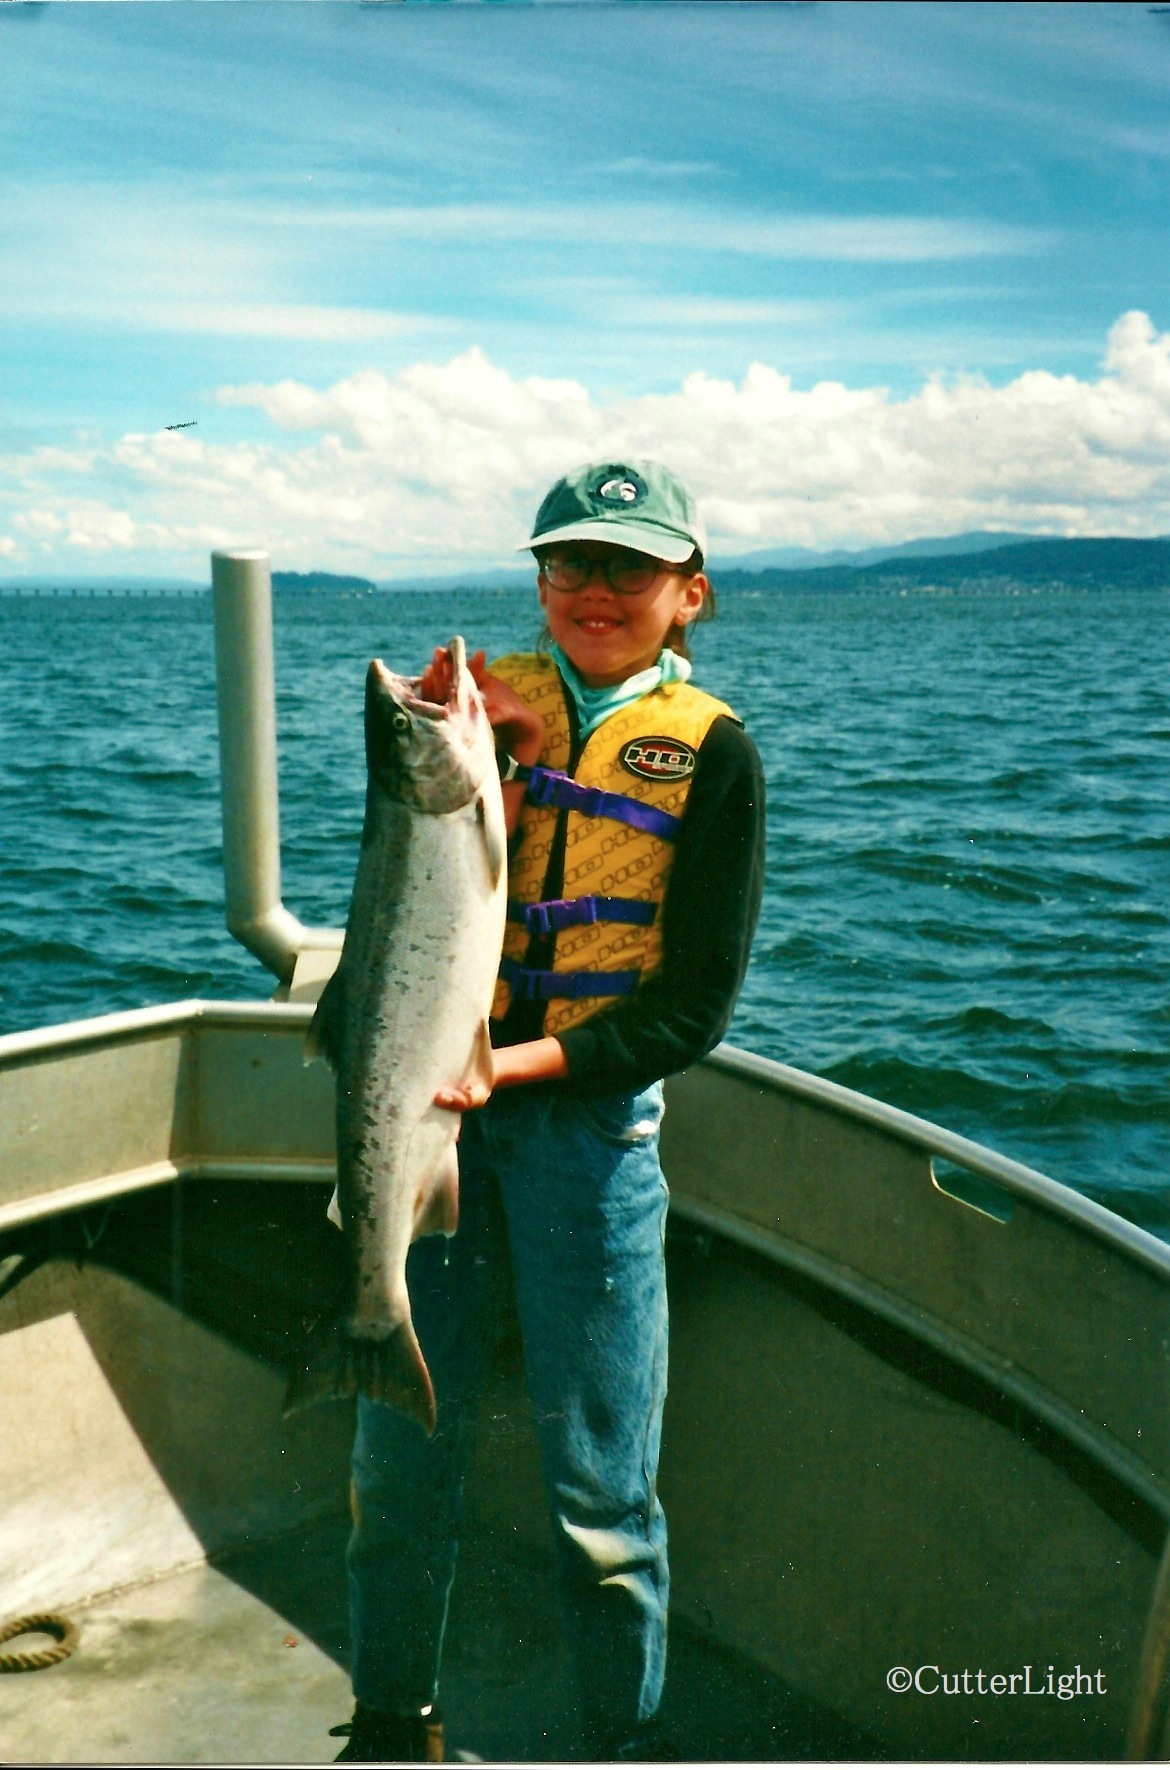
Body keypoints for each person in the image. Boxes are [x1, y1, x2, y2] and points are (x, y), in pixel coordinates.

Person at [331, 459, 765, 1764]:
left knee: (602, 1505)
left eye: (628, 568)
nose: (593, 590)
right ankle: (392, 1725)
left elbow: (687, 1013)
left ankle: (612, 1748)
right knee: (400, 1474)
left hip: (589, 1146)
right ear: (535, 580)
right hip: (438, 1131)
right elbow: (396, 895)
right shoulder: (479, 706)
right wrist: (440, 719)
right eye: (567, 564)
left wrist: (508, 1071)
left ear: (687, 594)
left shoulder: (715, 753)